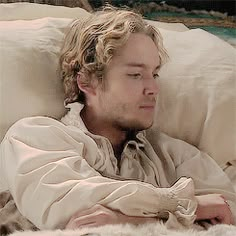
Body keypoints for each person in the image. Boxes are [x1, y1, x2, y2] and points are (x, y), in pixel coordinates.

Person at [0, 6, 235, 231]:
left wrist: (129, 221)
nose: (153, 88)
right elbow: (71, 207)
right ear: (87, 81)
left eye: (154, 74)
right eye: (135, 74)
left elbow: (226, 216)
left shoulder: (176, 156)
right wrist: (183, 204)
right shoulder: (35, 136)